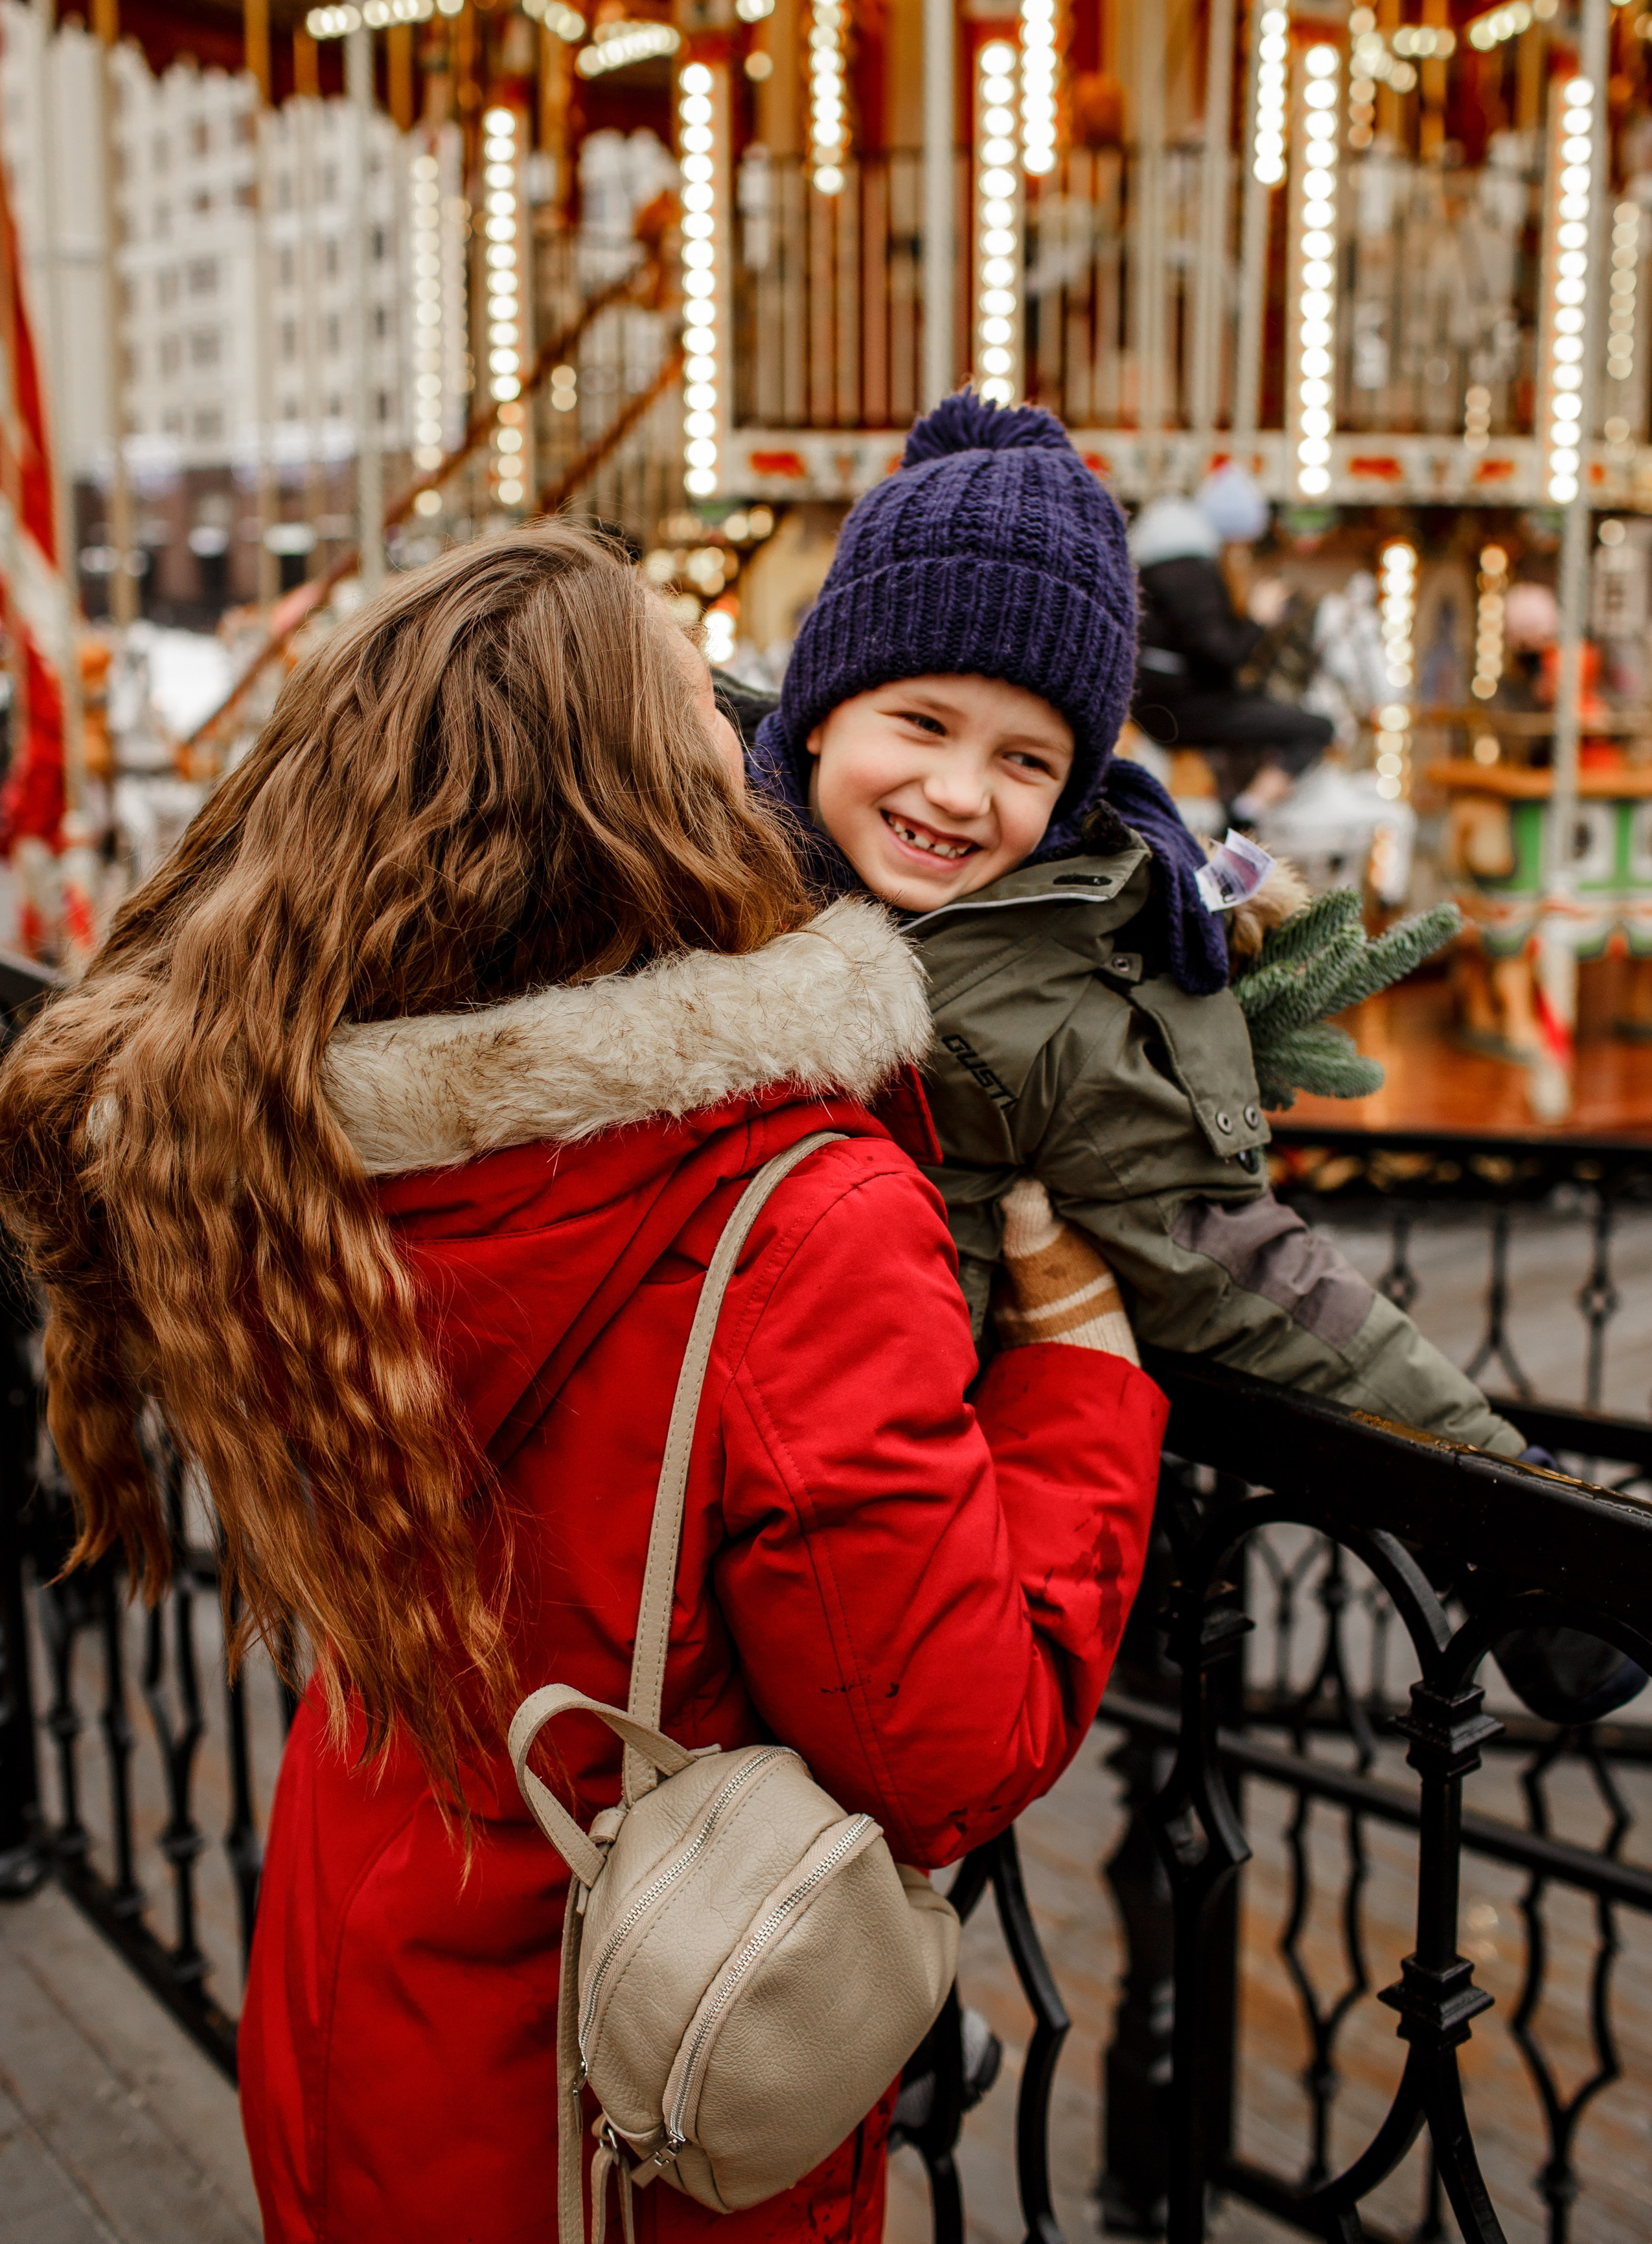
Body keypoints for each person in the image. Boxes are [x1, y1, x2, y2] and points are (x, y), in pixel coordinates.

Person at [0, 525, 1168, 2244]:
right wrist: (1078, 1379)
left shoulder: (276, 1136)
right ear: (646, 809)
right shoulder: (788, 1211)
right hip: (605, 2093)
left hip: (370, 1988)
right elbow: (953, 1743)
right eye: (704, 726)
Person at [750, 393, 1525, 1461]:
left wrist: (1495, 1475)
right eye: (922, 724)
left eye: (1026, 760)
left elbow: (1244, 1269)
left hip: (881, 1486)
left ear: (1074, 789)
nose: (960, 791)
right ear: (823, 708)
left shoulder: (1053, 1002)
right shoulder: (688, 857)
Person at [1129, 463, 1333, 816]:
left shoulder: (1170, 562)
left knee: (1262, 705)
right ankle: (1247, 812)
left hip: (1165, 698)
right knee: (1315, 728)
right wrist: (1257, 619)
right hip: (1180, 706)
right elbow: (1221, 653)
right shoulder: (1189, 569)